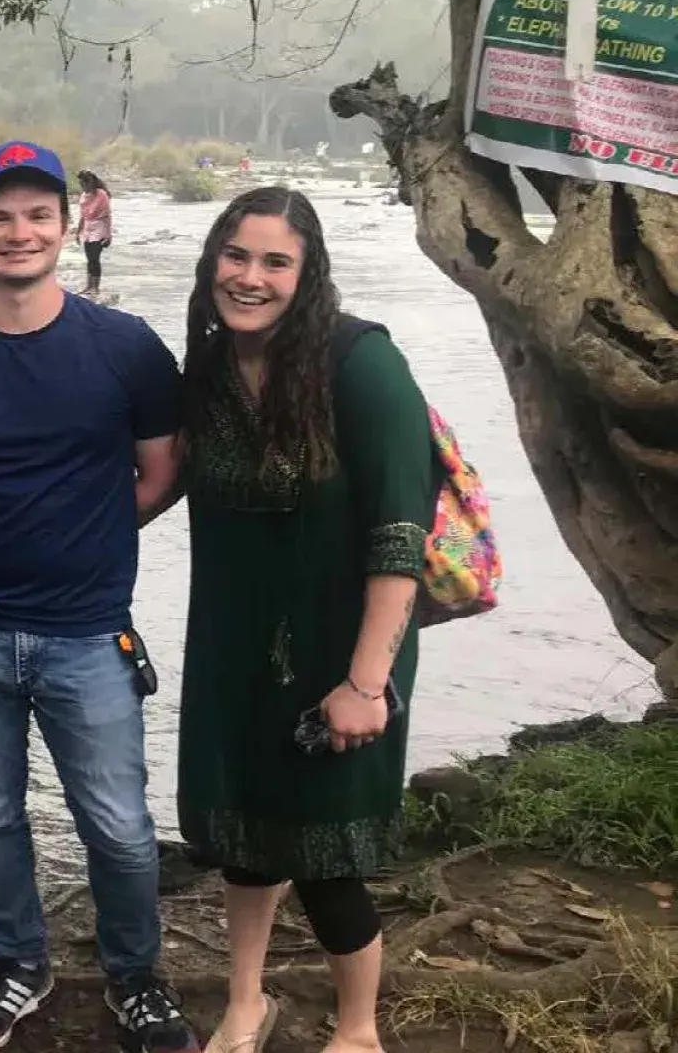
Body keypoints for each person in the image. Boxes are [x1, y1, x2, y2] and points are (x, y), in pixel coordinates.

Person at [0, 141, 197, 1053]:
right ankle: (19, 960)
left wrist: (85, 537)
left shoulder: (127, 349)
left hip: (87, 631)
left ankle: (136, 975)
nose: (18, 232)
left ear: (65, 227)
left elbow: (160, 474)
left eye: (36, 214)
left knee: (121, 824)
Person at [177, 187, 435, 1053]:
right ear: (214, 258)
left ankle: (358, 1030)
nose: (250, 278)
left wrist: (367, 684)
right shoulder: (207, 373)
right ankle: (245, 1003)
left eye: (274, 262)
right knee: (246, 839)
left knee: (328, 864)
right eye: (236, 256)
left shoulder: (360, 363)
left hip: (344, 652)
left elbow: (402, 535)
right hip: (234, 649)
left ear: (307, 271)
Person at [75, 171, 114, 300]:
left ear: (90, 183)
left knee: (95, 258)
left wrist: (108, 235)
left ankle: (95, 288)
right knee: (89, 258)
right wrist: (78, 232)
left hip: (100, 227)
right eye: (80, 184)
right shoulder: (83, 196)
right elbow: (82, 215)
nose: (82, 186)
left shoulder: (101, 194)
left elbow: (107, 215)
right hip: (87, 228)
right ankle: (88, 286)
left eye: (83, 183)